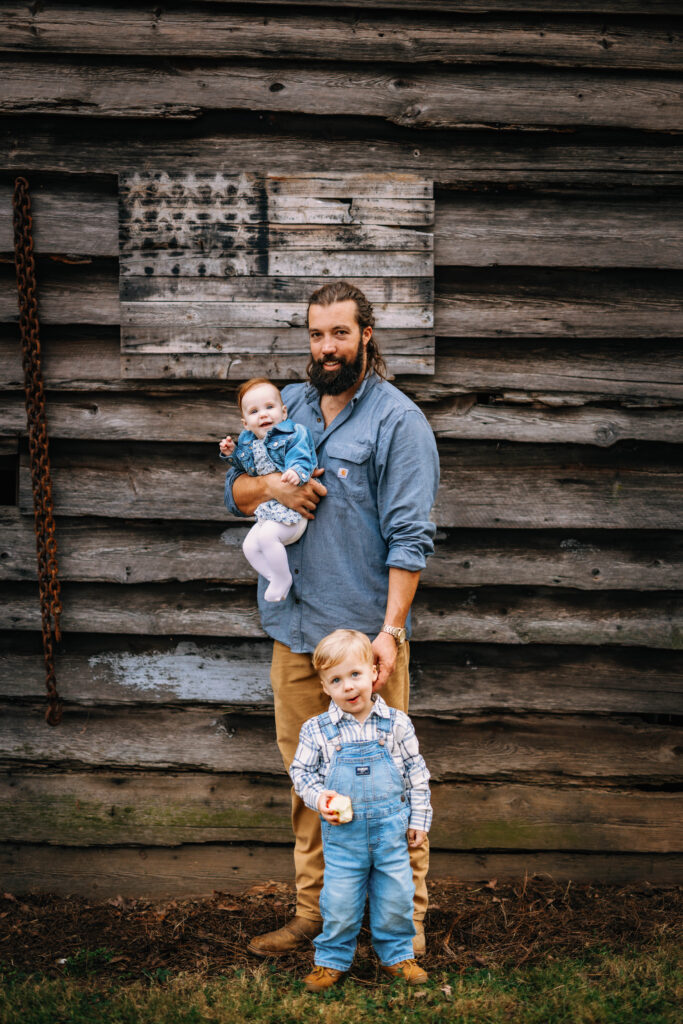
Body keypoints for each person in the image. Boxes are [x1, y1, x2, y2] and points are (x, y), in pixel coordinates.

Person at [223, 280, 440, 956]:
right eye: (317, 334)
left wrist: (390, 632)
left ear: (365, 336)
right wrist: (271, 487)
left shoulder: (397, 421)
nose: (326, 347)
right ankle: (316, 917)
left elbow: (410, 538)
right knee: (309, 786)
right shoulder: (283, 406)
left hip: (361, 646)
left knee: (389, 789)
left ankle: (401, 933)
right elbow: (234, 492)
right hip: (295, 633)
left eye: (339, 334)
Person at [290, 629, 431, 992]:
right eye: (336, 680)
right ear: (324, 686)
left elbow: (416, 772)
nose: (348, 686)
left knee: (396, 898)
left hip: (390, 834)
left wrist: (419, 819)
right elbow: (301, 772)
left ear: (373, 672)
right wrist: (320, 798)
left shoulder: (396, 724)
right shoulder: (317, 731)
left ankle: (397, 956)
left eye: (355, 674)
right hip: (344, 839)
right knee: (338, 902)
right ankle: (331, 961)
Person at [219, 378, 317, 602]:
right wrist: (231, 453)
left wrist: (296, 471)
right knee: (250, 546)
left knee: (266, 537)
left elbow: (303, 457)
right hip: (269, 511)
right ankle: (278, 579)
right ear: (245, 423)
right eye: (254, 411)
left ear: (283, 412)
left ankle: (283, 579)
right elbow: (244, 469)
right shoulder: (250, 443)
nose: (263, 415)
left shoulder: (294, 433)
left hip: (292, 513)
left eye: (269, 408)